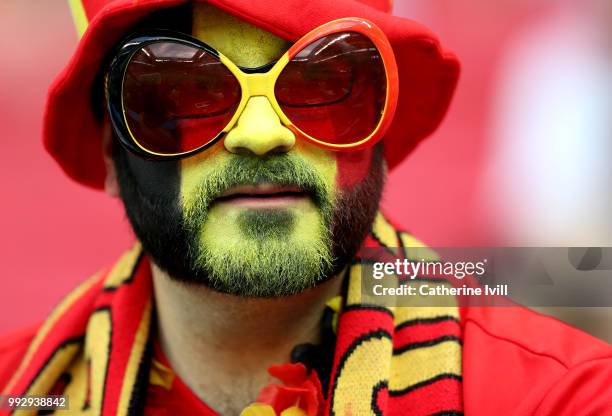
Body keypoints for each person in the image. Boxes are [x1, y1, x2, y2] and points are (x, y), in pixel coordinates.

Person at [0, 1, 611, 415]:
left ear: (380, 133)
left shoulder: (564, 396)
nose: (262, 132)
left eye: (325, 84)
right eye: (185, 89)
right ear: (111, 155)